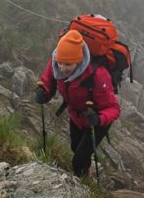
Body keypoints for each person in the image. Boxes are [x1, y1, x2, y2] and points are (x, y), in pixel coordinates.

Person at [34, 29, 120, 178]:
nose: (62, 68)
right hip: (76, 114)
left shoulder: (97, 75)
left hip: (97, 120)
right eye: (60, 63)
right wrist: (43, 92)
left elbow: (114, 108)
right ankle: (85, 176)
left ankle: (84, 188)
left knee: (78, 161)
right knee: (76, 148)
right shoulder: (56, 60)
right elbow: (48, 81)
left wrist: (98, 119)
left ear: (79, 61)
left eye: (68, 64)